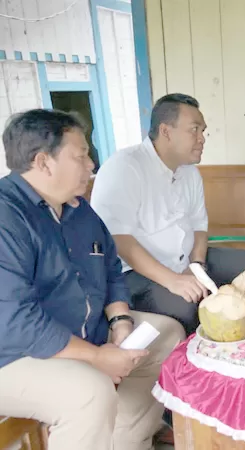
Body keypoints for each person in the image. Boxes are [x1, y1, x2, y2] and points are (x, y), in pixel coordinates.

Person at [0, 109, 185, 450]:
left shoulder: (78, 209)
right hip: (15, 356)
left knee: (167, 334)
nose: (92, 166)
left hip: (82, 334)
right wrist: (96, 358)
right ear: (44, 162)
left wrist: (120, 321)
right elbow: (15, 322)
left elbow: (111, 268)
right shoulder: (7, 217)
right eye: (81, 156)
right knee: (89, 392)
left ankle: (125, 443)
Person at [90, 94, 245, 335]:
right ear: (166, 131)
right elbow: (118, 239)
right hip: (138, 274)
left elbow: (199, 225)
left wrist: (197, 265)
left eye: (203, 131)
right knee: (186, 305)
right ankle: (195, 363)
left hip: (185, 261)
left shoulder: (189, 172)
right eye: (194, 130)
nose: (202, 139)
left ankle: (240, 337)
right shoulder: (125, 167)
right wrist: (173, 280)